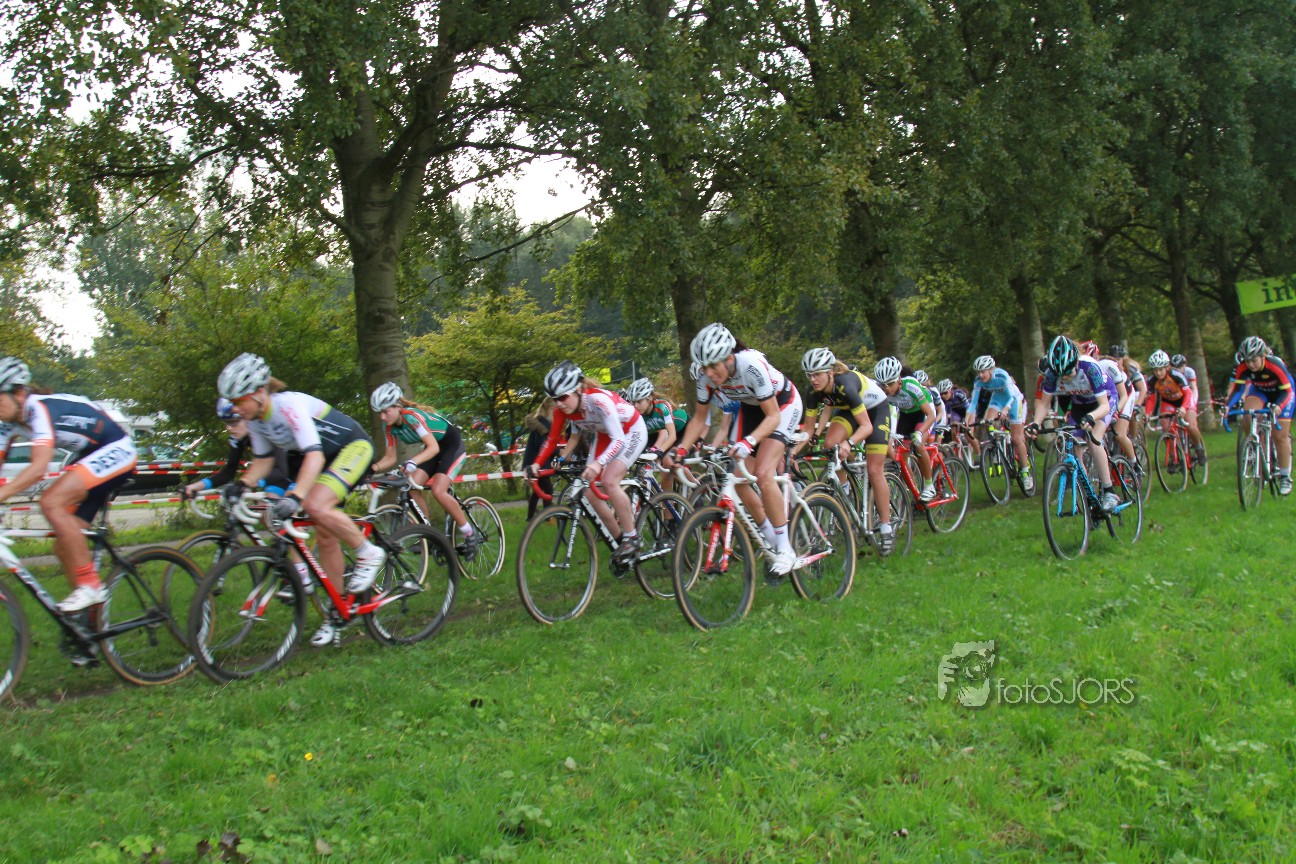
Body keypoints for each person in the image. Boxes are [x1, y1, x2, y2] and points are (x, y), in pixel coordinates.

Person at [216, 353, 382, 647]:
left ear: (259, 393)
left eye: (239, 401)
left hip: (351, 448)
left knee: (314, 505)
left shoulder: (287, 406)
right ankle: (338, 612)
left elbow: (314, 456)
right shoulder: (255, 421)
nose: (235, 409)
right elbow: (263, 461)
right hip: (323, 458)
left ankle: (368, 553)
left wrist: (295, 496)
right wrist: (241, 485)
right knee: (326, 537)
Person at [0, 357, 138, 612]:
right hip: (90, 456)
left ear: (18, 393)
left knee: (51, 502)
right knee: (64, 547)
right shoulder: (7, 424)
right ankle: (89, 624)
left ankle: (90, 585)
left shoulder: (38, 409)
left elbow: (38, 468)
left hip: (117, 449)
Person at [671, 324, 804, 575]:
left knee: (763, 473)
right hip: (751, 408)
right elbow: (699, 419)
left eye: (714, 366)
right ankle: (770, 537)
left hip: (782, 405)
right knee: (738, 478)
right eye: (704, 367)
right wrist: (680, 451)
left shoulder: (750, 365)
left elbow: (773, 416)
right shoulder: (705, 377)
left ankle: (786, 548)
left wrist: (749, 442)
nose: (709, 373)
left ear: (729, 358)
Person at [526, 361, 648, 562]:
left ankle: (632, 537)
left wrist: (599, 463)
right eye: (555, 399)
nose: (559, 403)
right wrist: (537, 464)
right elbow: (553, 439)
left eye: (563, 397)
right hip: (605, 435)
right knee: (588, 492)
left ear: (579, 390)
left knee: (609, 481)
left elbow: (619, 439)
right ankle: (619, 542)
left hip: (631, 431)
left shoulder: (598, 400)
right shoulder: (562, 410)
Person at [368, 382, 484, 556]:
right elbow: (390, 458)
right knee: (412, 488)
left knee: (438, 490)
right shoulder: (389, 427)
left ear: (397, 406)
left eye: (386, 411)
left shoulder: (411, 417)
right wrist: (372, 469)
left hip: (450, 445)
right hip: (433, 449)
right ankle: (429, 535)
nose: (383, 417)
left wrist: (413, 462)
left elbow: (433, 448)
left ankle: (469, 532)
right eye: (380, 413)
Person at [799, 348, 895, 552]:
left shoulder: (846, 385)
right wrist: (791, 452)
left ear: (830, 372)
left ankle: (886, 527)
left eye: (817, 374)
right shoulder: (813, 392)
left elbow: (867, 427)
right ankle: (846, 486)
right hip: (850, 411)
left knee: (874, 470)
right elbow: (808, 430)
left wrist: (849, 443)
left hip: (875, 411)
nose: (813, 379)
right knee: (830, 445)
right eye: (809, 375)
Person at [1027, 336, 1121, 511]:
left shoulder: (1089, 367)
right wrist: (1036, 424)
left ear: (1076, 362)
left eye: (1068, 373)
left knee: (1094, 439)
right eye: (1061, 375)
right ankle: (1088, 494)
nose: (1065, 377)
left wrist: (1091, 417)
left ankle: (1109, 491)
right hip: (1080, 403)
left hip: (1105, 400)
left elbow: (1104, 406)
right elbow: (1044, 404)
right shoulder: (1052, 374)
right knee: (1074, 445)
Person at [1223, 336, 1294, 495]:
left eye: (1254, 360)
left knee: (1279, 436)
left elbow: (1287, 391)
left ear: (1263, 356)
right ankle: (1255, 445)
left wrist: (1279, 407)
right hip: (1260, 391)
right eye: (1247, 361)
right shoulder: (1243, 367)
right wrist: (1227, 407)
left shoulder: (1274, 365)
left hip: (1282, 394)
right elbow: (1238, 391)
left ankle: (1285, 477)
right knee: (1248, 415)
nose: (1250, 364)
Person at [183, 397, 292, 500]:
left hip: (298, 465)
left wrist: (251, 483)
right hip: (283, 473)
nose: (228, 428)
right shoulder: (238, 438)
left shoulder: (268, 430)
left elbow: (281, 470)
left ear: (248, 419)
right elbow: (228, 473)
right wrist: (196, 486)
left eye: (233, 422)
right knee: (265, 506)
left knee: (287, 501)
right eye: (226, 423)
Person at [965, 354, 1034, 492]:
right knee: (987, 421)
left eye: (983, 372)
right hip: (998, 400)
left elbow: (1012, 396)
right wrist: (966, 420)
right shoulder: (978, 381)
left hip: (1014, 400)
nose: (981, 375)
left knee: (1016, 438)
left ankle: (1026, 473)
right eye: (978, 372)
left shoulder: (1002, 376)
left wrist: (1006, 410)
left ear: (991, 370)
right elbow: (973, 402)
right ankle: (997, 447)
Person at [874, 356, 938, 500]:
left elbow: (931, 416)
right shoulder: (881, 391)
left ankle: (929, 486)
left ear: (898, 379)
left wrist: (920, 432)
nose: (887, 388)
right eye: (883, 385)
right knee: (900, 456)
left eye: (890, 383)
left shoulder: (911, 386)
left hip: (923, 412)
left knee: (919, 445)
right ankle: (914, 492)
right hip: (905, 414)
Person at [1144, 349, 1201, 468]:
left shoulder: (1176, 375)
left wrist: (1184, 408)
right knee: (1165, 427)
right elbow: (1151, 399)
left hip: (1184, 399)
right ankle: (1172, 456)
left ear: (1167, 367)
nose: (1158, 373)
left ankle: (1198, 447)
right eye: (1155, 370)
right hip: (1169, 401)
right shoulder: (1152, 380)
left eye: (1161, 369)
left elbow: (1188, 393)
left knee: (1191, 426)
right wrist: (1148, 413)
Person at [522, 399, 556, 519]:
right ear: (551, 409)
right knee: (548, 489)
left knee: (538, 491)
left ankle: (530, 517)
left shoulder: (540, 422)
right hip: (537, 462)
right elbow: (543, 444)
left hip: (533, 461)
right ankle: (548, 516)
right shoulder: (544, 423)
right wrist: (558, 451)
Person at [1170, 352, 1207, 462]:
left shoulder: (1189, 372)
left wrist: (1193, 402)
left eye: (1179, 367)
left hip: (1189, 396)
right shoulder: (1171, 374)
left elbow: (1194, 388)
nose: (1177, 370)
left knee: (1191, 426)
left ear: (1184, 366)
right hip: (1177, 397)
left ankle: (1199, 447)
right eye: (1175, 367)